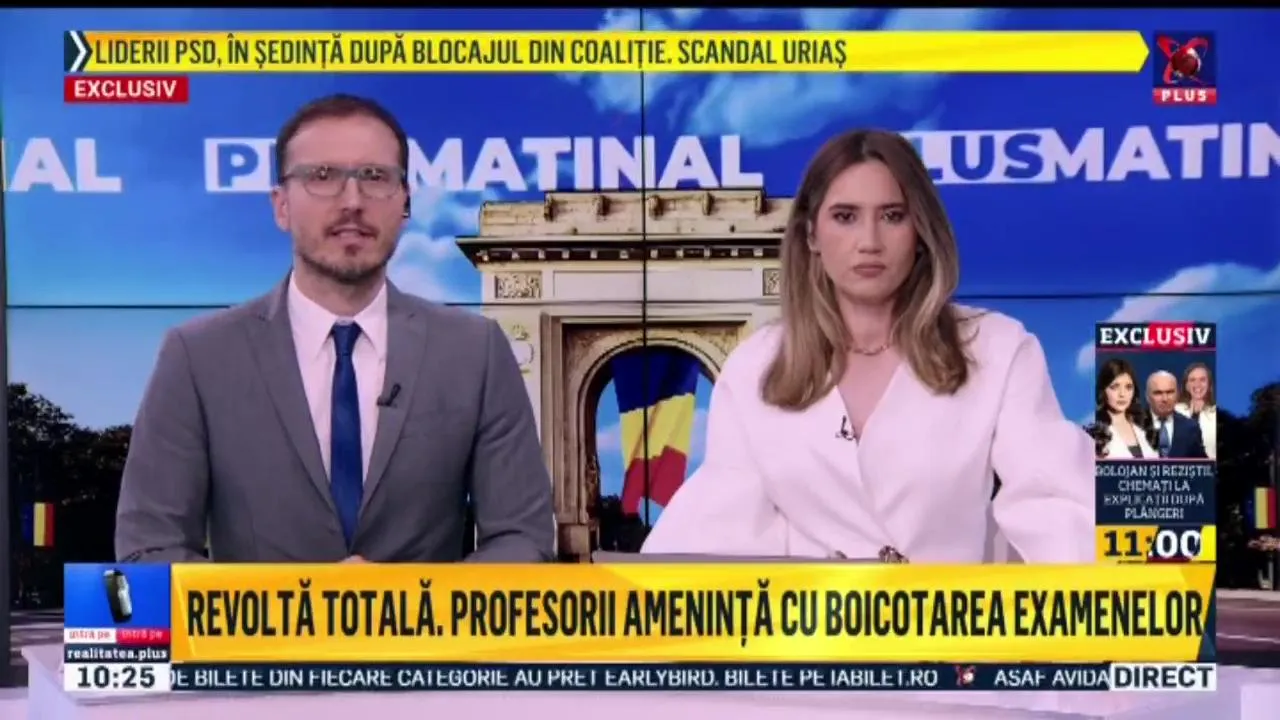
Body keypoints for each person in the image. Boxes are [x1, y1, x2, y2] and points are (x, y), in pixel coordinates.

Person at [115, 94, 554, 564]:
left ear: (405, 203)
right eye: (322, 176)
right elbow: (148, 549)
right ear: (281, 205)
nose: (352, 201)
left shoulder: (474, 352)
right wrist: (303, 601)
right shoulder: (198, 357)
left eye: (375, 177)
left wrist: (409, 598)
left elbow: (523, 540)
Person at [641, 129, 1095, 563]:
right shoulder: (757, 367)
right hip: (814, 619)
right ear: (811, 235)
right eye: (845, 217)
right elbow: (721, 524)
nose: (870, 242)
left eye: (892, 216)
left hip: (947, 617)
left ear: (920, 232)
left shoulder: (997, 349)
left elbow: (1054, 503)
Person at [1094, 358, 1158, 459]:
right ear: (1103, 391)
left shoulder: (1143, 428)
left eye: (1128, 387)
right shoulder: (1095, 431)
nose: (1122, 394)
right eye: (1115, 387)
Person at [1146, 370, 1208, 460]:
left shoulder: (1191, 428)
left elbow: (1203, 465)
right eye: (1158, 393)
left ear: (1177, 394)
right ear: (1147, 396)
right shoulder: (1134, 425)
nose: (1165, 399)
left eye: (1170, 392)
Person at [1175, 362, 1217, 460]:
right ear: (1186, 386)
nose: (1197, 384)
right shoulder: (1175, 410)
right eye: (1192, 380)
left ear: (1209, 385)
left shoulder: (1216, 414)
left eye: (1202, 380)